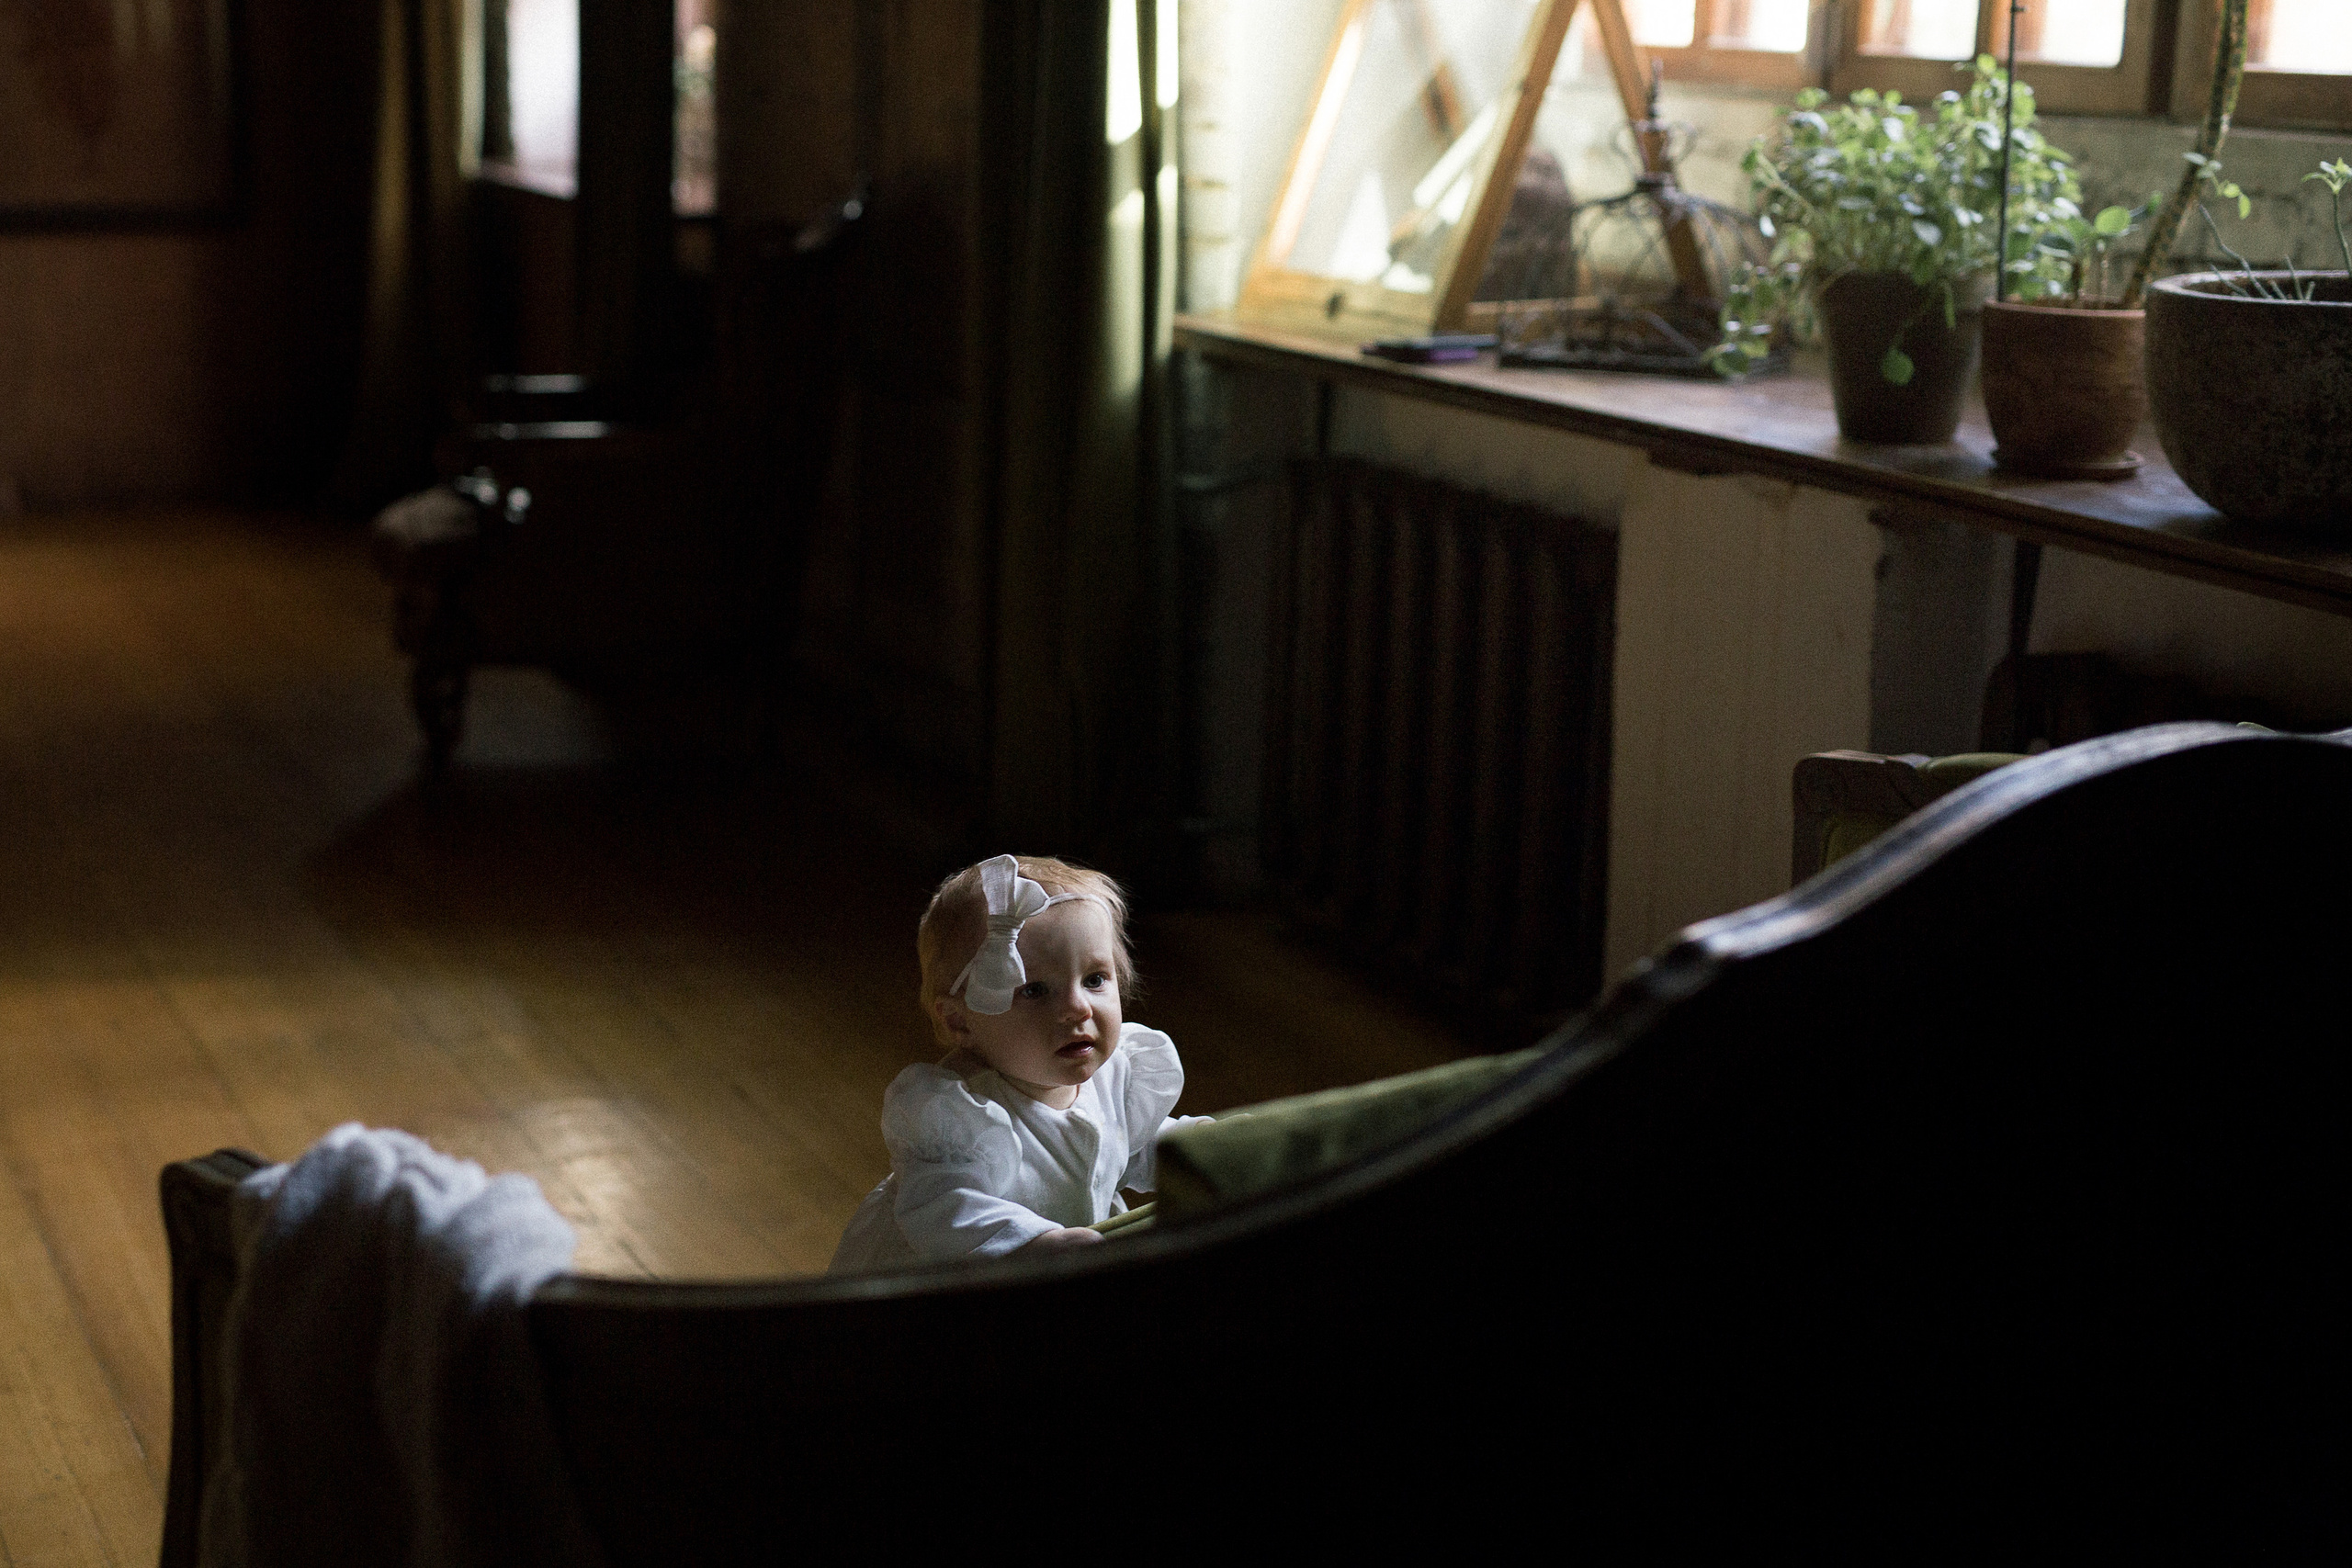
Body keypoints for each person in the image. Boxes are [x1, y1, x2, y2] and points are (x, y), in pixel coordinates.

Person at [829, 853, 1213, 1271]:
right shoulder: (959, 1115)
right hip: (951, 1278)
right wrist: (1033, 1242)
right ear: (959, 1020)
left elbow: (1135, 1145)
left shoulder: (1115, 1078)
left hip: (1063, 1264)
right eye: (1034, 991)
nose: (1077, 1008)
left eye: (1094, 979)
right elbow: (948, 1208)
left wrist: (1215, 1149)